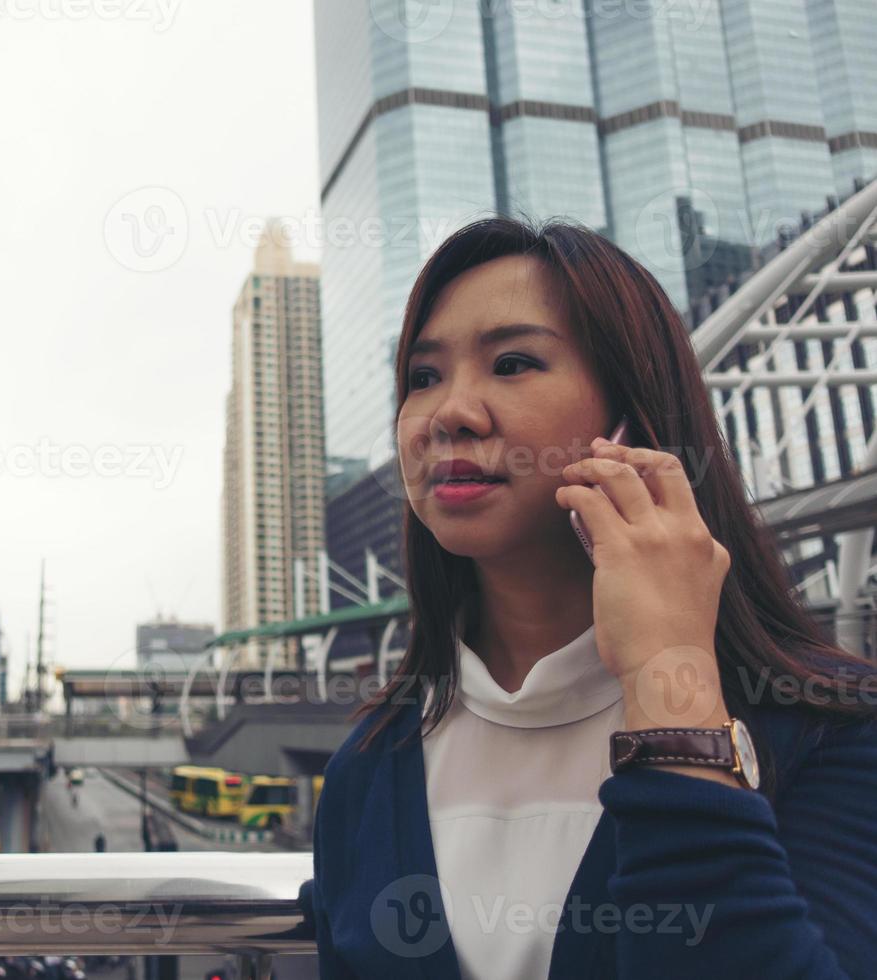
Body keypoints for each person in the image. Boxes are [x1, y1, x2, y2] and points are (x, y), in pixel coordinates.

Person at [303, 216, 877, 979]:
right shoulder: (370, 766)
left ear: (630, 418)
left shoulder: (826, 731)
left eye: (512, 362)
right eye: (421, 377)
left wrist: (670, 679)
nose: (449, 413)